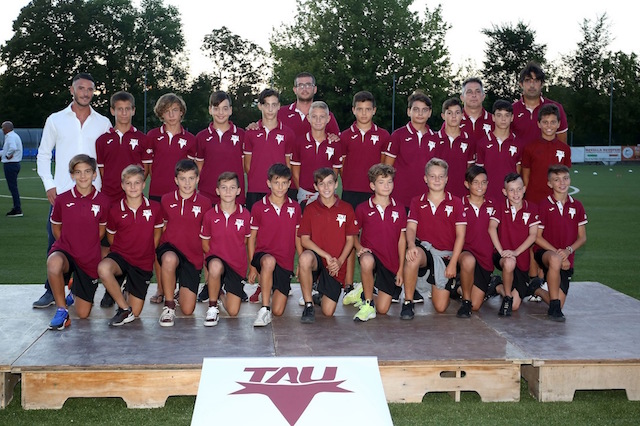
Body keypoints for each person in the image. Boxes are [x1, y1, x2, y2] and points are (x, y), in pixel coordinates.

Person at [34, 72, 111, 308]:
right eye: (81, 88)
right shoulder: (56, 119)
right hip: (63, 195)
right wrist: (49, 184)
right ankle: (51, 290)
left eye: (90, 89)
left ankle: (88, 288)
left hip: (94, 196)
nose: (85, 93)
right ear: (72, 90)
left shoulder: (103, 122)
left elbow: (108, 159)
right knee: (55, 242)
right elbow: (43, 154)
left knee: (97, 244)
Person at [143, 93, 197, 304]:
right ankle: (161, 288)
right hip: (158, 196)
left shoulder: (190, 139)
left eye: (175, 110)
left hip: (182, 197)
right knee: (159, 242)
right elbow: (147, 169)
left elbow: (194, 170)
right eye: (167, 111)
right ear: (161, 114)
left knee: (182, 240)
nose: (171, 115)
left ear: (181, 112)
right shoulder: (152, 136)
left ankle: (182, 285)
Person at [46, 155, 110, 330]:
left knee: (83, 313)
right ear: (72, 175)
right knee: (53, 263)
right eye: (78, 172)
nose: (83, 176)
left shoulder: (103, 201)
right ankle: (62, 310)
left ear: (94, 174)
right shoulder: (62, 199)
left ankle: (74, 290)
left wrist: (85, 246)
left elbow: (101, 231)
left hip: (89, 257)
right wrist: (69, 244)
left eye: (87, 171)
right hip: (66, 251)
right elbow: (56, 228)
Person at [97, 165, 163, 326]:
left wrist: (147, 251)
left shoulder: (155, 208)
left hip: (142, 262)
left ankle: (128, 289)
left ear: (143, 184)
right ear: (122, 185)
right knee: (103, 268)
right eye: (128, 183)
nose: (133, 187)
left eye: (137, 183)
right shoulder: (115, 210)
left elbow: (157, 232)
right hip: (121, 257)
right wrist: (124, 251)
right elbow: (111, 237)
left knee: (137, 312)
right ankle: (124, 308)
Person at [402, 158, 466, 320]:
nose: (436, 180)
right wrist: (411, 245)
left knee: (440, 307)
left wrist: (453, 263)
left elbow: (461, 235)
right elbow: (411, 228)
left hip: (445, 255)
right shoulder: (417, 201)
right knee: (413, 256)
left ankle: (452, 286)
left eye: (440, 176)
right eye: (432, 176)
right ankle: (408, 302)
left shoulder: (456, 202)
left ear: (446, 179)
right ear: (425, 178)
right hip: (426, 250)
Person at [339, 91, 390, 294]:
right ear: (353, 110)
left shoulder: (383, 135)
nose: (363, 113)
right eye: (359, 109)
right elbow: (342, 166)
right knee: (351, 238)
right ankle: (348, 283)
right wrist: (350, 181)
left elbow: (384, 166)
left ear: (374, 110)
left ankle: (372, 283)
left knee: (372, 239)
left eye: (368, 109)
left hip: (373, 194)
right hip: (351, 192)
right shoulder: (345, 136)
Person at [343, 164, 407, 322]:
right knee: (366, 261)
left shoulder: (399, 209)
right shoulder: (363, 208)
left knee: (383, 309)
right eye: (381, 182)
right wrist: (359, 248)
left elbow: (402, 239)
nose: (386, 186)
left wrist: (400, 269)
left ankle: (362, 291)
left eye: (389, 182)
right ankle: (368, 303)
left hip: (390, 261)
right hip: (370, 254)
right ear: (372, 186)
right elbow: (353, 233)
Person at [297, 168, 358, 323]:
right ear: (315, 186)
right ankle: (309, 305)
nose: (326, 187)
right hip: (318, 259)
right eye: (321, 184)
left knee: (328, 312)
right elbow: (304, 240)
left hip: (335, 264)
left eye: (330, 183)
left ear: (336, 184)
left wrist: (340, 261)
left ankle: (319, 295)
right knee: (304, 258)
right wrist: (326, 255)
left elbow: (350, 240)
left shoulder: (346, 208)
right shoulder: (310, 209)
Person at [157, 159, 211, 327]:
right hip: (170, 248)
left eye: (191, 178)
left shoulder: (205, 203)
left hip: (192, 256)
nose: (187, 183)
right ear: (176, 180)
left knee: (187, 310)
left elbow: (207, 234)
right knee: (169, 259)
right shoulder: (166, 200)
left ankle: (180, 291)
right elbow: (163, 225)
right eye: (182, 179)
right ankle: (169, 305)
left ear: (197, 179)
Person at [530, 165, 587, 322]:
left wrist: (567, 251)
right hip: (545, 253)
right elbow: (537, 237)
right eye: (557, 180)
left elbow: (582, 237)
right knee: (555, 259)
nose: (562, 183)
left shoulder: (577, 206)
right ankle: (554, 309)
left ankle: (536, 288)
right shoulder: (543, 205)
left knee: (560, 302)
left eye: (565, 178)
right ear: (550, 184)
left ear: (570, 180)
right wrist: (558, 253)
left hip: (566, 257)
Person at [247, 163, 302, 326]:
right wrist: (252, 266)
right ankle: (264, 309)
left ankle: (268, 286)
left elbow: (297, 236)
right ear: (268, 183)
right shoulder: (258, 207)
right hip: (264, 256)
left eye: (284, 183)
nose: (280, 187)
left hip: (284, 261)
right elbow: (252, 238)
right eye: (276, 183)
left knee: (278, 311)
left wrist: (300, 261)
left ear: (289, 184)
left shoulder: (295, 207)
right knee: (269, 262)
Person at [200, 172, 251, 326]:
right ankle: (212, 307)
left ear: (238, 191)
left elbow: (246, 241)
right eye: (224, 188)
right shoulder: (210, 215)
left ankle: (219, 292)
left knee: (233, 311)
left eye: (232, 187)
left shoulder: (245, 215)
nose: (228, 191)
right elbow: (205, 245)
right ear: (217, 191)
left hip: (236, 266)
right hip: (217, 262)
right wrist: (212, 264)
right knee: (215, 265)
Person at [488, 173, 540, 316]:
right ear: (504, 192)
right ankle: (507, 297)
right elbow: (491, 228)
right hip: (503, 256)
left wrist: (516, 252)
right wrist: (501, 251)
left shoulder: (532, 208)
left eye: (518, 189)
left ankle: (498, 286)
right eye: (511, 190)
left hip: (521, 259)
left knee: (515, 306)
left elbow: (533, 235)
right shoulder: (500, 207)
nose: (515, 193)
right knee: (509, 262)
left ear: (524, 189)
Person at [243, 89, 295, 212]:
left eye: (274, 105)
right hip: (255, 189)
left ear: (279, 106)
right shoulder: (251, 133)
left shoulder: (288, 133)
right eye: (266, 105)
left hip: (279, 190)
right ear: (260, 106)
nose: (270, 109)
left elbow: (288, 165)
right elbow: (247, 165)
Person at [383, 91, 437, 209]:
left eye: (424, 110)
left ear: (430, 113)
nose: (420, 113)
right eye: (416, 109)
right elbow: (387, 168)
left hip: (426, 198)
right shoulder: (398, 135)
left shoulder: (435, 137)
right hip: (400, 197)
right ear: (409, 111)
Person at [96, 91, 147, 205]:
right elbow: (102, 171)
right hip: (109, 196)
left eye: (127, 109)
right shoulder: (102, 140)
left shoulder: (143, 139)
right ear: (112, 111)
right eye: (120, 109)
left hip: (133, 196)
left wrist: (133, 185)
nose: (124, 113)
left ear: (133, 111)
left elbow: (146, 169)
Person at [457, 165, 495, 318]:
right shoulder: (458, 204)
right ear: (467, 184)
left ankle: (457, 288)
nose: (480, 186)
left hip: (485, 259)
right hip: (465, 254)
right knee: (468, 260)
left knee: (477, 305)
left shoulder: (494, 205)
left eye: (483, 182)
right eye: (475, 182)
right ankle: (465, 301)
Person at [195, 91, 246, 205]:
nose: (221, 112)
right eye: (216, 108)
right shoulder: (201, 137)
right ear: (210, 110)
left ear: (230, 110)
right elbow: (199, 167)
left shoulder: (242, 135)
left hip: (234, 196)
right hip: (207, 196)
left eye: (225, 108)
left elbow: (244, 166)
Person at [290, 101, 342, 208]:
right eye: (314, 116)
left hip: (327, 196)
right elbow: (295, 173)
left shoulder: (335, 144)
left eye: (322, 117)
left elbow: (334, 173)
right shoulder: (299, 142)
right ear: (308, 118)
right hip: (305, 196)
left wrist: (327, 190)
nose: (318, 120)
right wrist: (303, 191)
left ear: (328, 119)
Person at [521, 104, 572, 204]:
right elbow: (526, 175)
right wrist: (527, 195)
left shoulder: (565, 149)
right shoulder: (529, 148)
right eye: (545, 122)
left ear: (558, 124)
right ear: (539, 124)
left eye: (553, 122)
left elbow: (565, 175)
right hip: (534, 199)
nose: (549, 126)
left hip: (556, 199)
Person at [512, 62, 568, 147]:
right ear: (521, 84)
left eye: (536, 81)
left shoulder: (556, 108)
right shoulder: (511, 110)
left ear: (542, 84)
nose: (532, 85)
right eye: (528, 80)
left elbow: (562, 144)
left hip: (549, 156)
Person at [475, 100, 522, 204]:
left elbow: (518, 172)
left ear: (512, 117)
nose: (503, 119)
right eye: (499, 115)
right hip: (488, 196)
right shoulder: (482, 143)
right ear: (493, 117)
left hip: (510, 198)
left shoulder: (519, 143)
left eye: (507, 115)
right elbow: (479, 173)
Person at [433, 98, 474, 199]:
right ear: (443, 116)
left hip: (461, 194)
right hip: (438, 194)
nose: (454, 116)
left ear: (462, 115)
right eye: (449, 113)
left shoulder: (469, 141)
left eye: (457, 112)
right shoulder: (434, 139)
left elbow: (470, 170)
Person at [458, 77, 493, 149]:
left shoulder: (495, 121)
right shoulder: (452, 121)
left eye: (478, 91)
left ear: (483, 96)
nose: (474, 95)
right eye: (469, 92)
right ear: (462, 98)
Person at [1, 121, 23, 217]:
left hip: (10, 164)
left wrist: (8, 155)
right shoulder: (15, 136)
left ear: (6, 128)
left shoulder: (10, 137)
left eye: (3, 128)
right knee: (13, 187)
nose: (2, 130)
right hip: (15, 164)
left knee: (13, 187)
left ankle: (17, 209)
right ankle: (17, 207)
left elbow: (12, 148)